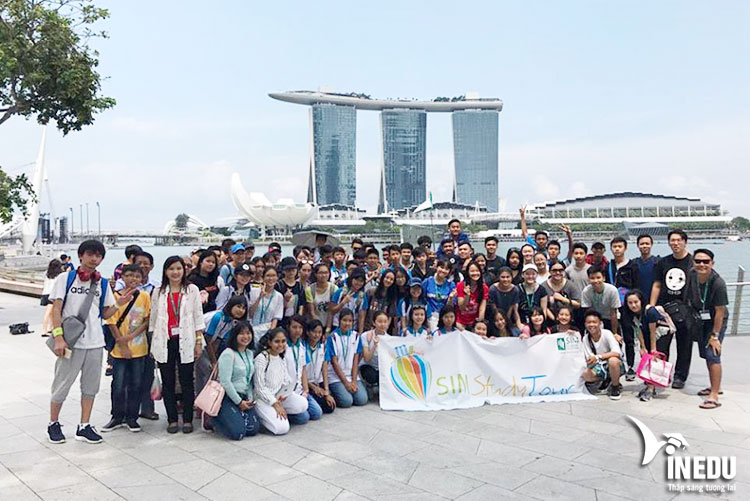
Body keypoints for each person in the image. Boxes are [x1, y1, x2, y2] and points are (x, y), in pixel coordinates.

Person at [47, 240, 117, 445]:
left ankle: (84, 425)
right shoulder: (65, 279)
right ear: (80, 256)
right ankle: (53, 423)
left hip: (95, 342)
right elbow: (56, 309)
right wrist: (58, 337)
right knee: (62, 384)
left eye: (98, 256)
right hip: (72, 342)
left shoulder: (103, 283)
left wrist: (120, 302)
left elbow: (105, 313)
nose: (94, 259)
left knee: (90, 386)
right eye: (90, 254)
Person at [149, 256, 205, 434]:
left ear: (184, 270)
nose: (175, 272)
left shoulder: (192, 290)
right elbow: (153, 319)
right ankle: (172, 419)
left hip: (186, 339)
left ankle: (187, 419)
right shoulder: (158, 291)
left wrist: (198, 342)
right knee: (168, 381)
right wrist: (153, 345)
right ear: (165, 271)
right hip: (164, 340)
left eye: (179, 268)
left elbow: (198, 317)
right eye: (171, 269)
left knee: (187, 380)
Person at [101, 264, 151, 433]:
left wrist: (131, 337)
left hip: (139, 348)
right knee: (118, 384)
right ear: (122, 277)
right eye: (129, 275)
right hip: (118, 349)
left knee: (136, 384)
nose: (133, 279)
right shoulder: (115, 296)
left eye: (137, 276)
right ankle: (117, 416)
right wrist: (122, 344)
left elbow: (146, 320)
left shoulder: (144, 296)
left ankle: (132, 418)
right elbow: (111, 322)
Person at [650, 229, 693, 389]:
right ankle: (661, 374)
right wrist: (652, 306)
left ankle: (680, 376)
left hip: (686, 309)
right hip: (665, 309)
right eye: (672, 240)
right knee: (662, 343)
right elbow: (657, 284)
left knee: (684, 344)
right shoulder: (663, 262)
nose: (675, 243)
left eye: (678, 240)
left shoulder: (693, 262)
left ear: (685, 242)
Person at [685, 249, 728, 409]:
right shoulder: (692, 274)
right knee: (706, 354)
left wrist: (715, 336)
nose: (701, 264)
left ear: (712, 263)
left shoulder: (718, 283)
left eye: (706, 262)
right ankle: (715, 386)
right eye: (698, 261)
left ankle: (714, 395)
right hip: (701, 320)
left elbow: (720, 312)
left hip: (717, 321)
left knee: (712, 353)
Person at [253, 328, 309, 435]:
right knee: (282, 428)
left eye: (283, 341)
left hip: (278, 396)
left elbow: (286, 379)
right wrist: (274, 403)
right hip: (263, 400)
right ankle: (262, 417)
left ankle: (276, 414)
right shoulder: (262, 358)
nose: (280, 345)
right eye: (277, 341)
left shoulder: (280, 357)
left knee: (303, 404)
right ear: (270, 342)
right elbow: (259, 388)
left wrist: (285, 393)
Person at [213, 321, 261, 440]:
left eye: (248, 333)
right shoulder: (228, 354)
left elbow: (249, 379)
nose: (245, 337)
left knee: (253, 429)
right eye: (241, 334)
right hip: (227, 397)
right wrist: (239, 402)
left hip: (244, 396)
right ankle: (214, 419)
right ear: (235, 335)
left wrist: (249, 398)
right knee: (238, 433)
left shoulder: (249, 353)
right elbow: (225, 382)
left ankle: (235, 417)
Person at [622, 290, 668, 402]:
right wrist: (642, 347)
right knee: (645, 356)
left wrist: (653, 349)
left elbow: (653, 331)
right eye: (630, 303)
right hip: (646, 332)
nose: (633, 305)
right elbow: (638, 330)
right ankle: (650, 383)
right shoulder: (630, 314)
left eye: (636, 302)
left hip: (661, 333)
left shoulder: (650, 311)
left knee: (653, 357)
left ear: (641, 301)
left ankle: (651, 388)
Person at [284, 316, 322, 425]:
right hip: (288, 392)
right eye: (294, 327)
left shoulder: (301, 346)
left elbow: (303, 369)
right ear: (288, 327)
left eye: (300, 327)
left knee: (317, 413)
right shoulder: (284, 346)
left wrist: (306, 390)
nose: (297, 330)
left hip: (300, 390)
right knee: (304, 418)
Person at [326, 309, 368, 407]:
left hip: (351, 375)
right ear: (339, 321)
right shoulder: (333, 337)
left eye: (350, 321)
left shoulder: (356, 336)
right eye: (344, 320)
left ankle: (348, 389)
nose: (347, 323)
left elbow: (355, 361)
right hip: (336, 377)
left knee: (362, 399)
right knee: (347, 401)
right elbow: (334, 362)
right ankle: (335, 392)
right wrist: (346, 383)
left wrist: (353, 381)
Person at [581, 310, 624, 400]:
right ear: (585, 324)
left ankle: (615, 386)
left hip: (613, 363)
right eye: (589, 322)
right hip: (599, 365)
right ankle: (605, 379)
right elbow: (590, 357)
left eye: (594, 322)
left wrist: (599, 356)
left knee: (613, 361)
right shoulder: (585, 338)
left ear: (600, 323)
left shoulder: (607, 333)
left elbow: (617, 352)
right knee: (585, 374)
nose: (591, 325)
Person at [303, 320, 336, 415]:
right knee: (317, 411)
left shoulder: (323, 347)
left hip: (317, 382)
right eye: (314, 332)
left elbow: (324, 369)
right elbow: (300, 373)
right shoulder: (302, 347)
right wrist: (313, 387)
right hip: (305, 384)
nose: (317, 335)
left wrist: (326, 391)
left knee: (330, 406)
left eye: (319, 332)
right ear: (308, 332)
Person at [581, 266, 621, 333]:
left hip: (610, 318)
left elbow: (613, 313)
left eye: (598, 277)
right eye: (592, 278)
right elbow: (588, 312)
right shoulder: (586, 291)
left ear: (604, 278)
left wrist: (615, 333)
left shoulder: (612, 290)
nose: (595, 281)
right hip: (595, 318)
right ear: (588, 279)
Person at [247, 266, 284, 340]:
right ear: (263, 277)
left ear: (277, 278)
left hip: (267, 331)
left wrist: (270, 334)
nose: (271, 278)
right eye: (268, 276)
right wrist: (259, 297)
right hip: (252, 329)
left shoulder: (279, 296)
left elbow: (276, 318)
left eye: (273, 276)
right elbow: (250, 313)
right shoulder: (254, 291)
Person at [359, 310, 389, 398]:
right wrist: (374, 346)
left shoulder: (389, 339)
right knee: (373, 376)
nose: (382, 324)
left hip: (381, 367)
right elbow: (367, 358)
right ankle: (368, 386)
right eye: (379, 321)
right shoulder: (366, 336)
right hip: (368, 365)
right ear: (374, 322)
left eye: (385, 322)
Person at [360, 269, 398, 334]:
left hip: (381, 331)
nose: (388, 280)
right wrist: (361, 330)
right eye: (387, 277)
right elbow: (363, 311)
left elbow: (390, 316)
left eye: (391, 279)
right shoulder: (371, 292)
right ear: (383, 278)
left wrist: (384, 331)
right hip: (367, 329)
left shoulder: (392, 297)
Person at [422, 260, 456, 331]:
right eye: (441, 267)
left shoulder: (451, 285)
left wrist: (450, 298)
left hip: (444, 318)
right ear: (436, 267)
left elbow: (450, 307)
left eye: (446, 269)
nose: (443, 270)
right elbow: (421, 299)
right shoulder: (427, 282)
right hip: (429, 316)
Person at [455, 261, 488, 331]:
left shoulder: (484, 287)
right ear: (468, 273)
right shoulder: (460, 285)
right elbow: (461, 308)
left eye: (477, 271)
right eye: (472, 271)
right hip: (460, 321)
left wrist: (479, 324)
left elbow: (482, 308)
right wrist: (467, 296)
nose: (475, 273)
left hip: (474, 322)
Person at [305, 263, 338, 332]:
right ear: (315, 274)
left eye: (326, 273)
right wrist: (318, 330)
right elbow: (312, 312)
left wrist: (327, 329)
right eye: (320, 273)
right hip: (315, 326)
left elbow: (331, 311)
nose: (323, 275)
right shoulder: (310, 290)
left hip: (330, 325)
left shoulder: (334, 289)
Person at [275, 257, 307, 326]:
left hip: (295, 321)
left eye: (293, 270)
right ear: (283, 271)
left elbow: (301, 305)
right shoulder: (279, 285)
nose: (291, 272)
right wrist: (285, 300)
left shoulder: (300, 286)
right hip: (281, 321)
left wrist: (299, 319)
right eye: (288, 270)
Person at [41, 258, 64, 337]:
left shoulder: (46, 273)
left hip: (45, 293)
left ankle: (49, 328)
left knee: (50, 312)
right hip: (53, 294)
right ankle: (44, 330)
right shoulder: (59, 275)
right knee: (49, 312)